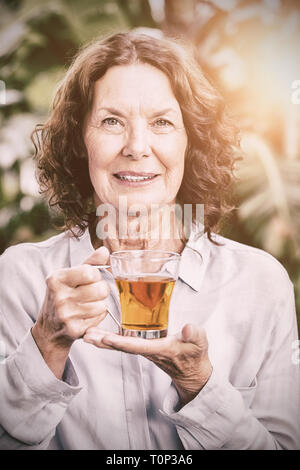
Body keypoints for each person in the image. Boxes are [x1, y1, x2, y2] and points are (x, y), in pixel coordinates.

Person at [0, 31, 299, 451]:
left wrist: (200, 386)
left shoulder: (261, 283)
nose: (137, 147)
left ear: (190, 142)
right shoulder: (19, 277)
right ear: (78, 139)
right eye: (111, 121)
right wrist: (46, 343)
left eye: (162, 122)